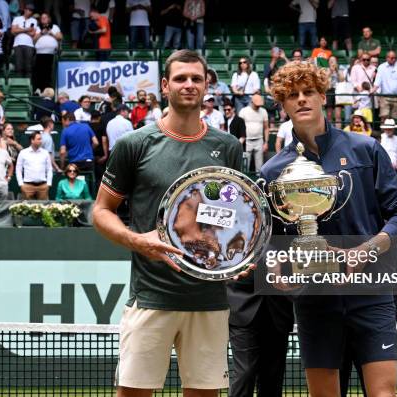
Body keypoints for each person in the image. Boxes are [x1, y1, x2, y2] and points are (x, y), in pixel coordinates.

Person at [92, 49, 244, 397]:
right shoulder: (135, 144)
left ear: (207, 86)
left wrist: (239, 254)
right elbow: (102, 211)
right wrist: (138, 241)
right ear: (165, 85)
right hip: (151, 298)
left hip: (209, 301)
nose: (188, 85)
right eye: (180, 78)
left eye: (196, 78)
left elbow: (236, 216)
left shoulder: (229, 147)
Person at [263, 60, 397, 397]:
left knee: (383, 394)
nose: (301, 99)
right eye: (292, 95)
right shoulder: (274, 172)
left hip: (372, 292)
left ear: (322, 96)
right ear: (283, 104)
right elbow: (271, 238)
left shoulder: (366, 149)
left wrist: (365, 250)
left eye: (309, 92)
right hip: (314, 299)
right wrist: (275, 266)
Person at [371, 50, 397, 123]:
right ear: (387, 58)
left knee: (394, 119)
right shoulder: (381, 67)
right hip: (384, 97)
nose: (393, 59)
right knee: (384, 117)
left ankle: (393, 134)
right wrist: (372, 90)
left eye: (394, 58)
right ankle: (383, 134)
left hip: (396, 97)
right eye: (391, 58)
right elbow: (377, 82)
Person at [16, 131, 52, 200]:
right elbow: (18, 169)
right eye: (38, 139)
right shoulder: (23, 153)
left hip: (43, 186)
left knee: (43, 208)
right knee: (27, 209)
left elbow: (49, 169)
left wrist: (48, 184)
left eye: (41, 139)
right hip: (27, 186)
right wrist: (21, 184)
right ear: (32, 140)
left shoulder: (45, 153)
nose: (41, 141)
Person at [238, 93, 269, 174]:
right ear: (251, 102)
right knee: (245, 165)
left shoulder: (263, 111)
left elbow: (266, 128)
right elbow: (239, 127)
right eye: (256, 104)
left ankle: (259, 184)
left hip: (259, 140)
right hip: (247, 141)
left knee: (260, 166)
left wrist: (266, 142)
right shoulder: (243, 111)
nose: (258, 106)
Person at [33, 12, 62, 92]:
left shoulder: (55, 27)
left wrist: (51, 33)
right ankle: (38, 89)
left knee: (48, 73)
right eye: (42, 18)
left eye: (45, 17)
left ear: (49, 19)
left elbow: (60, 37)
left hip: (51, 54)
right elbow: (34, 39)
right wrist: (42, 33)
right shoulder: (38, 28)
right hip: (39, 53)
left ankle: (48, 91)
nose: (43, 19)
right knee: (39, 72)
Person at [11, 3, 39, 79]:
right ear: (25, 10)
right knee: (18, 66)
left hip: (29, 45)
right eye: (29, 10)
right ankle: (19, 87)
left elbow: (33, 33)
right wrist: (27, 29)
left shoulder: (34, 20)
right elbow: (13, 31)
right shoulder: (17, 18)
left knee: (28, 67)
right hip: (18, 44)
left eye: (31, 10)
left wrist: (19, 29)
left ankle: (28, 86)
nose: (30, 12)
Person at [89, 111, 108, 182]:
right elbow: (104, 140)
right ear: (99, 117)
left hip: (90, 154)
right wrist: (105, 155)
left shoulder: (87, 126)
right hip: (100, 155)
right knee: (101, 177)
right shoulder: (102, 126)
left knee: (91, 175)